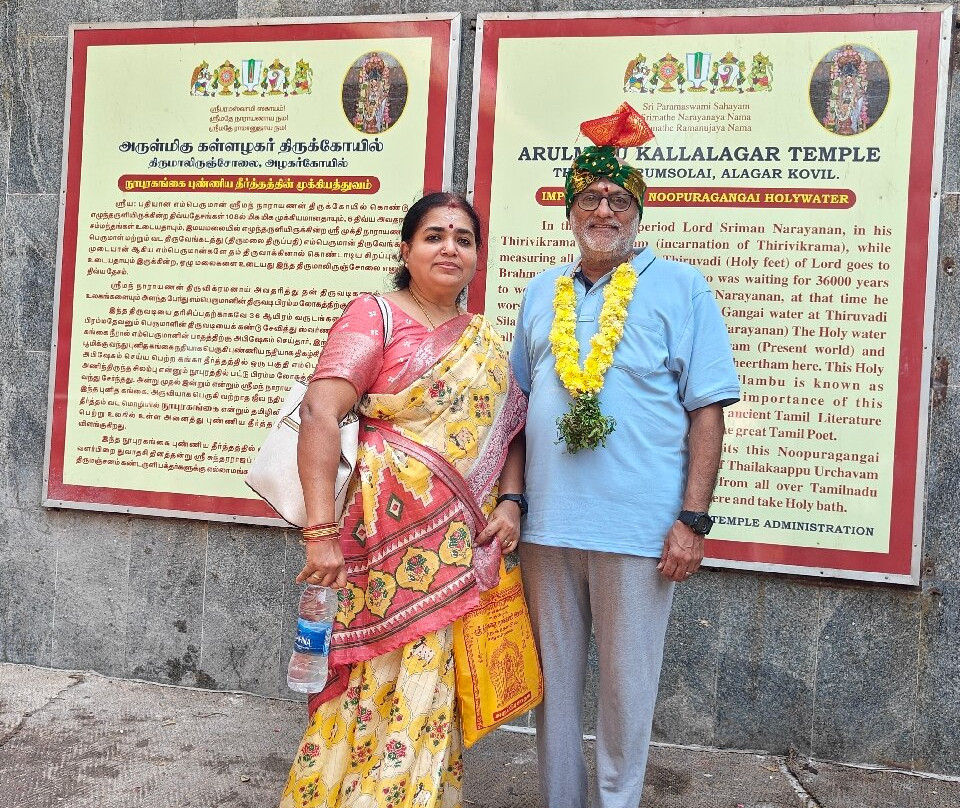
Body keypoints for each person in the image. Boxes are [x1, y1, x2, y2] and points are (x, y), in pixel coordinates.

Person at [509, 105, 741, 808]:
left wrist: (692, 520)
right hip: (547, 531)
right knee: (552, 694)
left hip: (639, 532)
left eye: (617, 198)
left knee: (625, 694)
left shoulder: (681, 286)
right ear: (569, 211)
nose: (603, 208)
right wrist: (512, 504)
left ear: (638, 210)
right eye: (589, 197)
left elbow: (707, 409)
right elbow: (516, 414)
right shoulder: (538, 291)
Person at [280, 192, 527, 808]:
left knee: (431, 684)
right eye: (435, 236)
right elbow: (320, 412)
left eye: (464, 239)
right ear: (406, 249)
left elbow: (512, 432)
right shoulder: (374, 317)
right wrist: (319, 531)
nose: (450, 248)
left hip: (455, 547)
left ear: (477, 256)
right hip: (378, 543)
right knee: (370, 677)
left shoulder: (487, 342)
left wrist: (512, 503)